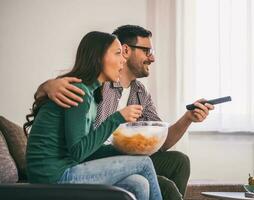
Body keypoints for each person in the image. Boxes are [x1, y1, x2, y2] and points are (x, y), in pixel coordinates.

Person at [35, 25, 214, 200]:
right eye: (146, 51)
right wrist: (45, 87)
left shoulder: (137, 92)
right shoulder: (89, 88)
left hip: (90, 157)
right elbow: (78, 149)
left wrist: (188, 117)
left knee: (160, 171)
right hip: (70, 168)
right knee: (148, 170)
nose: (152, 58)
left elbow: (160, 140)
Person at [24, 31, 163, 200]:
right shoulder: (78, 92)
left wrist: (124, 150)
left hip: (63, 171)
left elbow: (86, 149)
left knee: (138, 183)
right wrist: (117, 118)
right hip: (52, 178)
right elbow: (78, 152)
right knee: (144, 163)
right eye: (118, 53)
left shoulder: (92, 94)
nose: (123, 60)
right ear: (98, 57)